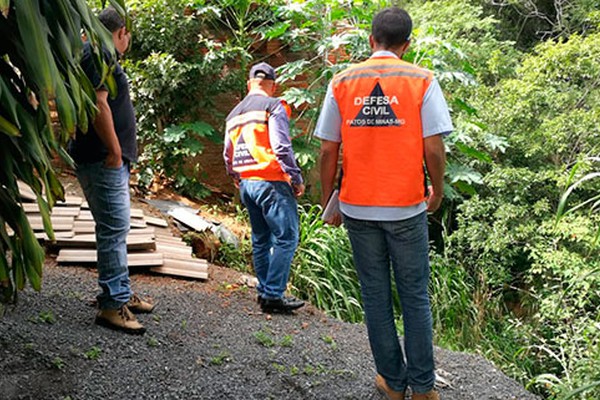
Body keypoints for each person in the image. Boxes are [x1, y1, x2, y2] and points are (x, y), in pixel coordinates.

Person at [315, 7, 452, 400]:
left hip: (358, 207)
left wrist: (329, 199)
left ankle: (392, 382)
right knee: (414, 296)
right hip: (407, 206)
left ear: (371, 40)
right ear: (407, 44)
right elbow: (434, 147)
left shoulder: (342, 81)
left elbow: (327, 149)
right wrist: (436, 191)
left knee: (375, 296)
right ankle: (424, 389)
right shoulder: (422, 80)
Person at [69, 7, 154, 335]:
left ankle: (120, 293)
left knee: (114, 229)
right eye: (127, 34)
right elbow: (99, 103)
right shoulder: (100, 54)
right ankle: (111, 304)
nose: (128, 39)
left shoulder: (97, 54)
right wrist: (116, 150)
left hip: (104, 158)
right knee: (114, 229)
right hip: (103, 158)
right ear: (121, 33)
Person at [223, 62, 305, 314]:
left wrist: (234, 174)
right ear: (273, 85)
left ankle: (264, 291)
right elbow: (281, 146)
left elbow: (227, 152)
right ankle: (273, 294)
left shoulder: (234, 113)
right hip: (271, 181)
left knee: (260, 239)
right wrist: (295, 176)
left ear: (249, 84)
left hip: (247, 183)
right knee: (287, 236)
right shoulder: (274, 106)